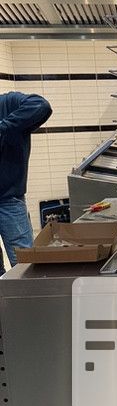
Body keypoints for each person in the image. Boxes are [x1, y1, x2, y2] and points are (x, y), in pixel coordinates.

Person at [0, 92, 52, 274]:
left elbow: (41, 106)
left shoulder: (8, 103)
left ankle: (30, 293)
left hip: (9, 200)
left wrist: (4, 127)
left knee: (24, 264)